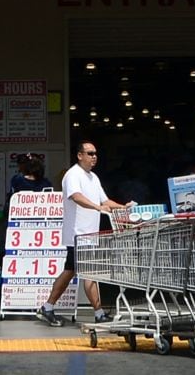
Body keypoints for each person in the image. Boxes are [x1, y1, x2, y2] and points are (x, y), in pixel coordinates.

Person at [37, 140, 133, 327]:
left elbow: (105, 200)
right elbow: (76, 197)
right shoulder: (73, 175)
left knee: (78, 271)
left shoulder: (93, 178)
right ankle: (53, 307)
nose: (94, 156)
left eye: (95, 153)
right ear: (80, 155)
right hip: (77, 234)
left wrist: (123, 208)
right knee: (80, 271)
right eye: (89, 153)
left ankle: (57, 308)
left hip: (89, 234)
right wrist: (98, 207)